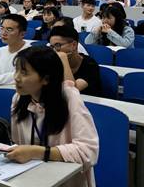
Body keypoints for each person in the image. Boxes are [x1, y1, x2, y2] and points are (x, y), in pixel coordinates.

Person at [7, 45, 99, 187]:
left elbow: (88, 151)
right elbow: (18, 143)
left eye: (24, 73)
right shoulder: (19, 99)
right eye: (16, 70)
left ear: (45, 79)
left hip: (66, 180)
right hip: (32, 176)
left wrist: (37, 152)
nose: (16, 78)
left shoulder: (69, 98)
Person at [49, 26, 102, 97]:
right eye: (52, 47)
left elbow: (71, 91)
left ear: (74, 45)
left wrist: (64, 59)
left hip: (87, 102)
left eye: (57, 45)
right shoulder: (53, 63)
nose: (54, 51)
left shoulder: (90, 65)